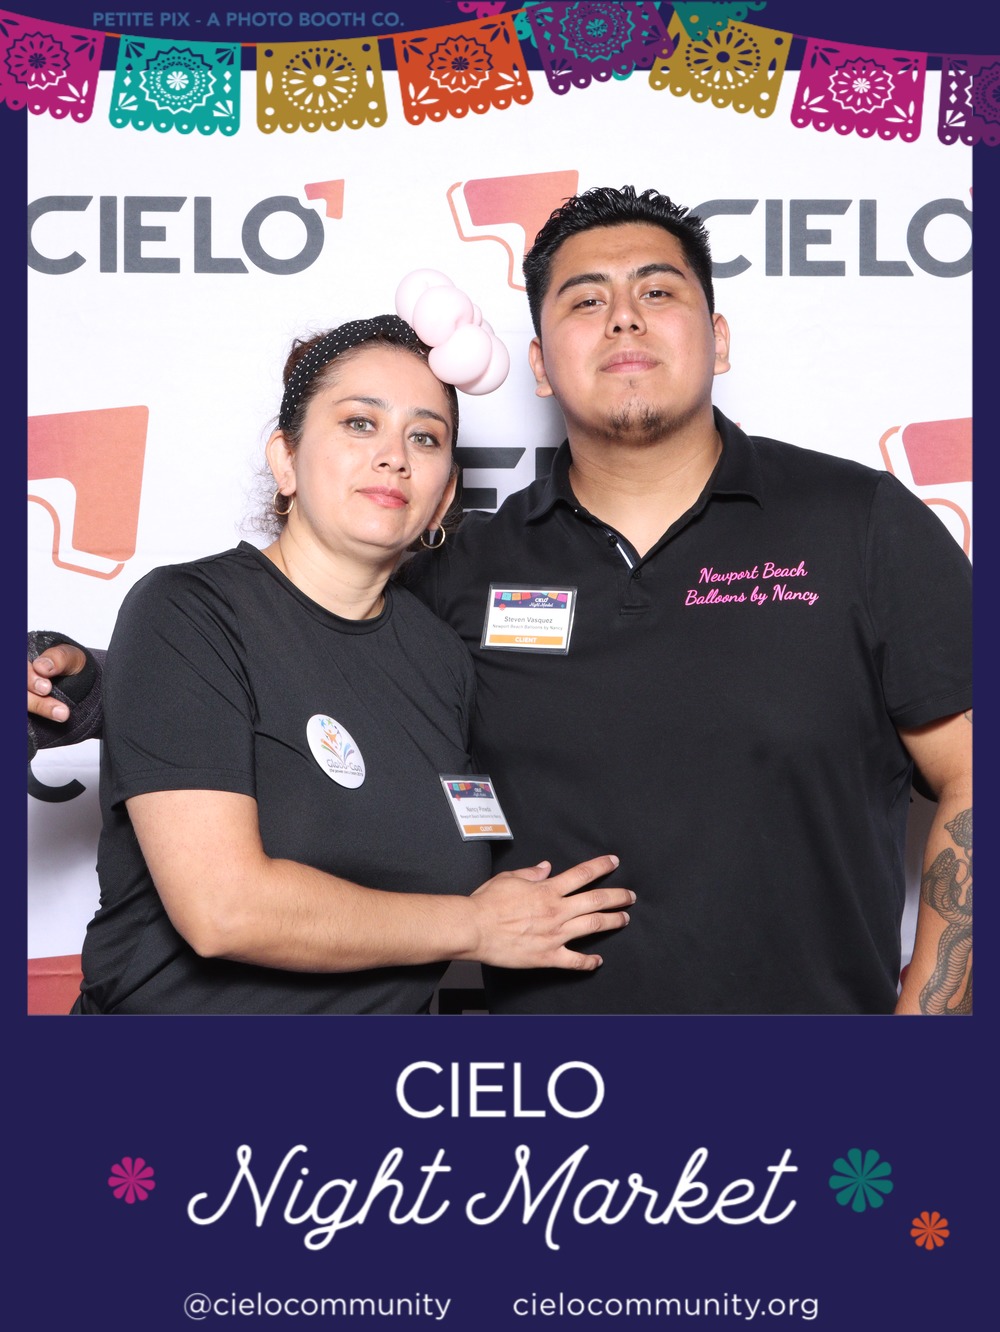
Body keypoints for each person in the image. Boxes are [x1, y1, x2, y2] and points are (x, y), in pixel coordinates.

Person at [30, 187, 972, 1016]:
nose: (624, 319)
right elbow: (304, 652)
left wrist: (929, 1030)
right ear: (540, 363)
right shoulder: (465, 571)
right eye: (585, 300)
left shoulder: (859, 525)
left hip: (809, 1073)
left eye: (658, 291)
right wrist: (104, 687)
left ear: (718, 338)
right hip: (535, 1103)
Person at [35, 313, 632, 1015]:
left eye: (424, 437)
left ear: (444, 496)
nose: (394, 456)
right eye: (359, 423)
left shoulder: (442, 658)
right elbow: (224, 909)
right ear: (286, 461)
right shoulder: (188, 610)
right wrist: (476, 926)